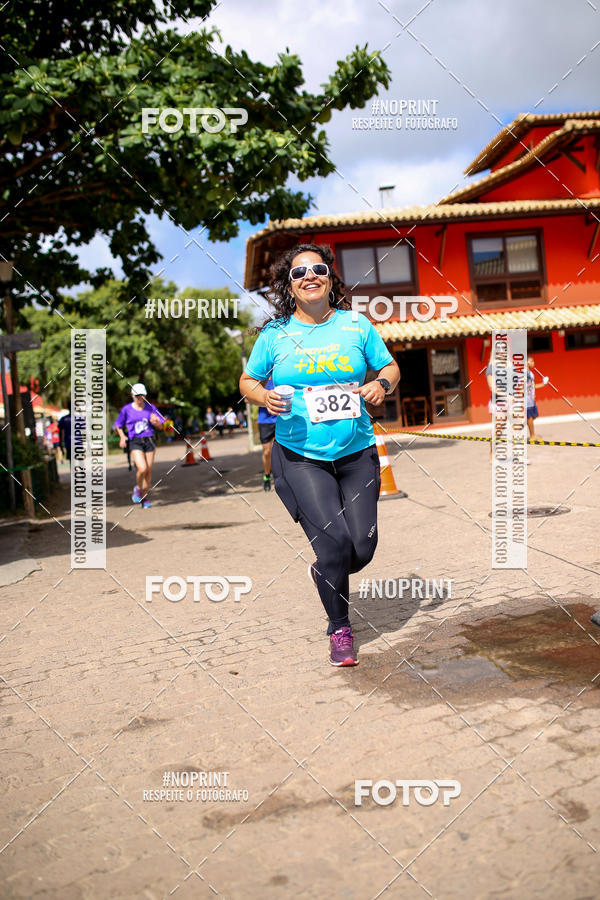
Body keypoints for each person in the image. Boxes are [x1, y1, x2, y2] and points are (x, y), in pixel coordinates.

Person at [239, 243, 400, 667]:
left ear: (330, 278)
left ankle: (326, 570)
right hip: (301, 457)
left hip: (356, 453)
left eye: (318, 269)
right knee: (334, 545)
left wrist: (381, 385)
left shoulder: (355, 325)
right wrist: (264, 397)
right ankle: (340, 628)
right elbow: (247, 380)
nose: (309, 276)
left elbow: (390, 368)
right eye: (298, 273)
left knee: (361, 549)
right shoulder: (275, 335)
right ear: (289, 286)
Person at [114, 383, 165, 508]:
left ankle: (144, 497)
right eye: (137, 395)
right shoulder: (127, 409)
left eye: (142, 395)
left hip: (149, 439)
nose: (140, 398)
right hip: (135, 441)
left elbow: (161, 426)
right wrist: (122, 436)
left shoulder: (151, 407)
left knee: (148, 471)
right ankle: (138, 488)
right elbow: (118, 425)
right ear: (132, 395)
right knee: (142, 468)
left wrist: (157, 423)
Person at [258, 376, 277, 491]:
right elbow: (247, 398)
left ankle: (280, 476)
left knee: (279, 451)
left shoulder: (280, 376)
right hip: (265, 420)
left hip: (280, 419)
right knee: (267, 452)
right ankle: (267, 476)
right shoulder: (261, 378)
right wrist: (267, 399)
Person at [526, 356, 549, 439]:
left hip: (531, 399)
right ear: (526, 362)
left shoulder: (531, 374)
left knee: (534, 415)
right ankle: (532, 435)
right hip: (526, 399)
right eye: (531, 361)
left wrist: (544, 384)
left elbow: (533, 386)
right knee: (529, 417)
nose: (533, 363)